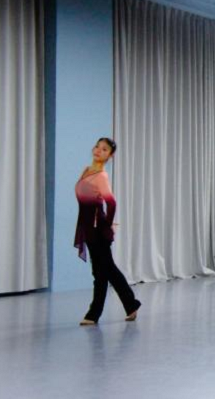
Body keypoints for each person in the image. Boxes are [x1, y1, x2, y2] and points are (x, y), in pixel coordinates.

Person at [75, 138, 141, 326]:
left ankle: (95, 313)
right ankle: (129, 304)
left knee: (104, 270)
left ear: (109, 156)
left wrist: (107, 225)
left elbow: (111, 203)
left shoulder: (101, 176)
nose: (98, 150)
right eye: (97, 146)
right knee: (103, 271)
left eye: (104, 150)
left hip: (98, 229)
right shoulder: (86, 171)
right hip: (88, 226)